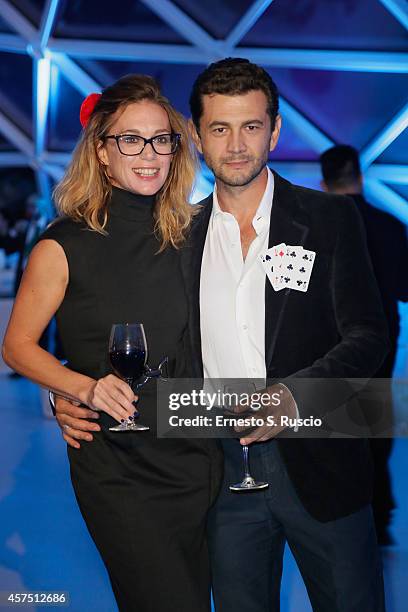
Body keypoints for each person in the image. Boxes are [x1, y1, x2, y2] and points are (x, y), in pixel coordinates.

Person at [52, 59, 389, 611]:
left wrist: (292, 395)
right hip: (220, 476)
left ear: (275, 131)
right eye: (220, 129)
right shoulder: (178, 236)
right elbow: (131, 340)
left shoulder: (329, 220)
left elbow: (367, 334)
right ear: (197, 137)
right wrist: (68, 391)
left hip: (324, 463)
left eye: (251, 127)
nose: (236, 146)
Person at [2, 74, 223, 612]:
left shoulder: (192, 234)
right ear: (101, 151)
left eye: (160, 139)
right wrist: (80, 390)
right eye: (129, 139)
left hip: (195, 454)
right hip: (118, 463)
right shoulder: (63, 245)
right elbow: (17, 346)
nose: (147, 154)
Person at [320, 144, 408, 544]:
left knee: (332, 420)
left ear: (324, 181)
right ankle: (378, 509)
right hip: (382, 336)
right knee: (375, 417)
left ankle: (341, 509)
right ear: (360, 174)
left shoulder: (319, 225)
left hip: (331, 335)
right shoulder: (388, 224)